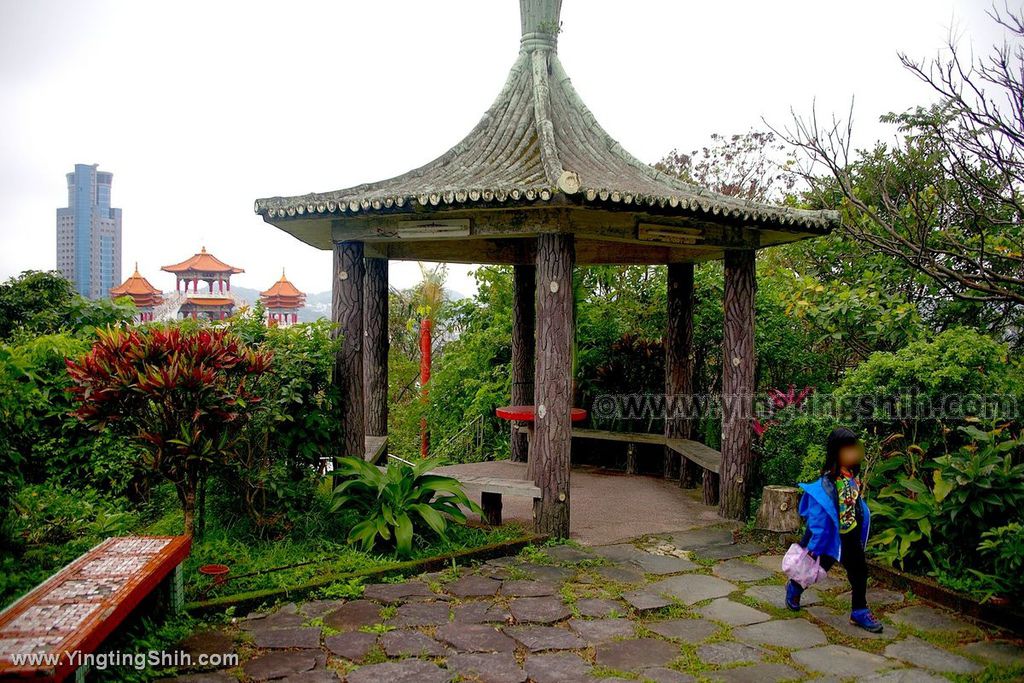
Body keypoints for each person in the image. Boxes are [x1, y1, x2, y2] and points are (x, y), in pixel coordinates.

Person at [786, 427, 883, 633]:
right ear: (836, 452)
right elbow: (819, 517)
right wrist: (815, 545)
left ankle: (859, 610)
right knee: (816, 569)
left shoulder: (852, 477)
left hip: (850, 535)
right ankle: (795, 586)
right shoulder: (827, 483)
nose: (853, 454)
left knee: (859, 571)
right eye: (847, 450)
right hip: (830, 538)